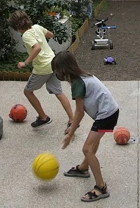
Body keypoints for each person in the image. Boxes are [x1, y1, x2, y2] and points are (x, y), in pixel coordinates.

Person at [53, 51, 119, 203]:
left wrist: (70, 133)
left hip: (106, 115)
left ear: (63, 70)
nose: (56, 73)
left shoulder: (78, 83)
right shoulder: (83, 76)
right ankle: (83, 168)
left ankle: (101, 187)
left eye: (56, 70)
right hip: (109, 112)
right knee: (92, 143)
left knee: (87, 149)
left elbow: (79, 112)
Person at [8, 10, 74, 129]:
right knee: (59, 92)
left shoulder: (26, 35)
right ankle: (72, 120)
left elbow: (37, 48)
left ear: (17, 27)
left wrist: (25, 62)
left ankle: (43, 117)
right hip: (54, 63)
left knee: (28, 91)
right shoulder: (37, 27)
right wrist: (40, 36)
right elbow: (51, 35)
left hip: (43, 67)